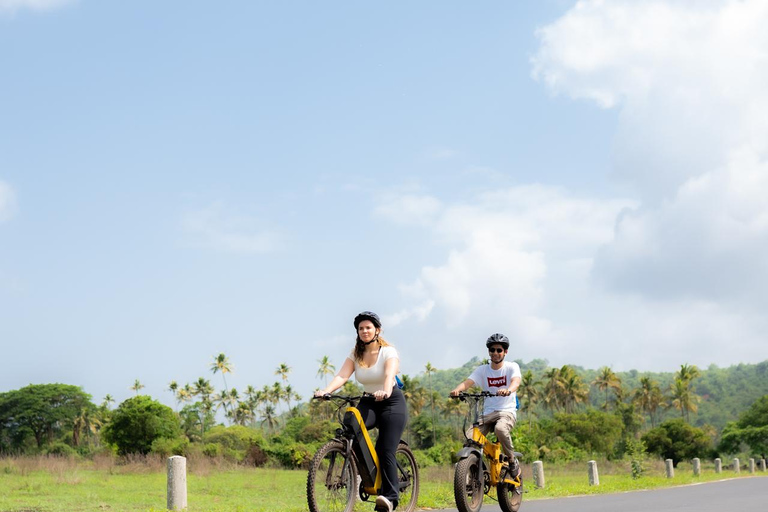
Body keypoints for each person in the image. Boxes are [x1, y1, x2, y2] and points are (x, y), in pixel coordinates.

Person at [315, 311, 406, 512]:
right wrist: (326, 391)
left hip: (391, 402)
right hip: (369, 400)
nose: (364, 331)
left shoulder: (388, 351)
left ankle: (390, 497)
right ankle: (359, 480)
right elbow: (342, 375)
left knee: (385, 450)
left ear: (377, 330)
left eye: (368, 327)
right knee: (351, 431)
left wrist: (386, 390)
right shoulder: (355, 353)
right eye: (361, 328)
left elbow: (390, 374)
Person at [450, 333, 522, 476]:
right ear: (489, 351)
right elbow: (468, 382)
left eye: (499, 350)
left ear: (505, 352)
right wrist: (457, 389)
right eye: (492, 350)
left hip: (506, 411)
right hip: (488, 413)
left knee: (500, 429)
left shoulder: (511, 367)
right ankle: (475, 468)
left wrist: (508, 390)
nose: (495, 353)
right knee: (471, 437)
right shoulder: (483, 370)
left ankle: (512, 460)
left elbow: (516, 382)